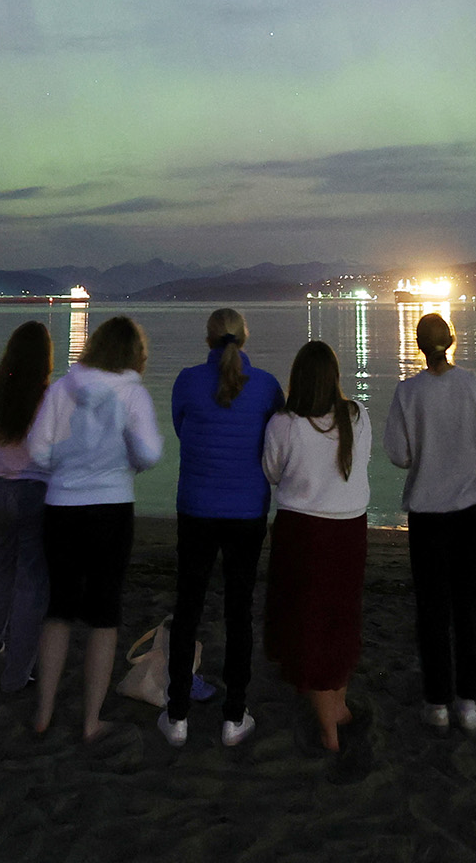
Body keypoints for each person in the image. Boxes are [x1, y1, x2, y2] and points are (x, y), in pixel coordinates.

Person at [26, 315, 162, 742]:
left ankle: (44, 713)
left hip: (61, 509)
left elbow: (37, 451)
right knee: (104, 616)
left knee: (59, 610)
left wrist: (66, 466)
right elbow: (150, 452)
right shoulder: (132, 395)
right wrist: (127, 463)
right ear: (134, 354)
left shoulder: (62, 389)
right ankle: (90, 721)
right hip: (111, 509)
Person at [158, 307, 285, 748]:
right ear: (244, 338)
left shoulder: (187, 381)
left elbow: (181, 430)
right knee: (238, 611)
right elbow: (276, 440)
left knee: (188, 607)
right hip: (247, 512)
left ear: (207, 338)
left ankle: (176, 716)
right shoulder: (267, 385)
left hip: (196, 508)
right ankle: (235, 716)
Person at [382, 311, 476, 732]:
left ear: (418, 345)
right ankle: (468, 703)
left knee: (431, 609)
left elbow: (398, 453)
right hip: (471, 512)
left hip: (428, 517)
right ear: (451, 340)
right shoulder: (475, 384)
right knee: (468, 606)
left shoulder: (408, 392)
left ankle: (437, 703)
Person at [261, 338, 370, 752]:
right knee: (341, 618)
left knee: (308, 623)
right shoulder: (357, 417)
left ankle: (328, 732)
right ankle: (337, 707)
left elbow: (271, 472)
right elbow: (360, 465)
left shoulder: (285, 424)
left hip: (304, 533)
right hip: (350, 530)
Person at [0, 320, 54, 692]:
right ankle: (17, 673)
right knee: (32, 584)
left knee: (0, 570)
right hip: (33, 493)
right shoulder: (47, 397)